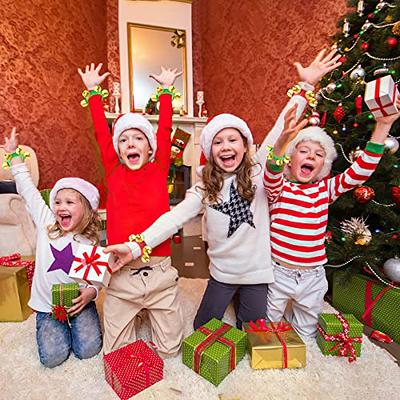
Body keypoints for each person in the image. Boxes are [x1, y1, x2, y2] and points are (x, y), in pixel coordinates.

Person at [103, 49, 341, 330]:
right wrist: (134, 247)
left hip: (257, 275)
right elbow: (173, 218)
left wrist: (305, 88)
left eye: (233, 139)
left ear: (245, 145)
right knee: (202, 328)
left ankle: (246, 304)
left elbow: (279, 131)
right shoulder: (205, 187)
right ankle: (228, 298)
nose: (226, 146)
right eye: (218, 142)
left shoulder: (258, 172)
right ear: (210, 152)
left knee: (252, 332)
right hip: (222, 274)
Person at [263, 96, 400, 337]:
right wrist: (282, 142)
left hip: (313, 275)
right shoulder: (280, 188)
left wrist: (383, 126)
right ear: (291, 160)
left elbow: (360, 171)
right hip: (278, 273)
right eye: (303, 151)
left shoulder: (325, 189)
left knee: (306, 329)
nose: (311, 157)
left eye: (318, 154)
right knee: (268, 326)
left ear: (323, 166)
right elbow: (271, 171)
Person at [78, 63, 184, 356]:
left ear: (150, 149)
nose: (130, 143)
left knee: (170, 350)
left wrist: (165, 91)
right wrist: (93, 94)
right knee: (116, 352)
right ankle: (134, 309)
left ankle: (151, 308)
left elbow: (164, 129)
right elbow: (101, 133)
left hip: (159, 272)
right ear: (118, 150)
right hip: (122, 275)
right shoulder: (114, 171)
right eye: (123, 140)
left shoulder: (159, 166)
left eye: (138, 138)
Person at [1, 128, 103, 368]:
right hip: (47, 306)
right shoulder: (47, 221)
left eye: (69, 202)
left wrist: (90, 294)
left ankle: (77, 325)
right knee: (52, 358)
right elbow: (27, 189)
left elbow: (95, 281)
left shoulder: (89, 241)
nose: (60, 207)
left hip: (79, 302)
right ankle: (57, 329)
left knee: (88, 351)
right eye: (57, 201)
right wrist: (14, 155)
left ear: (87, 209)